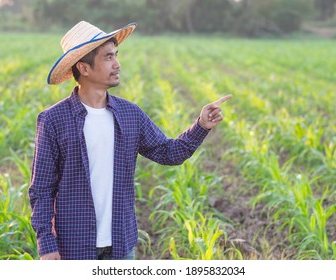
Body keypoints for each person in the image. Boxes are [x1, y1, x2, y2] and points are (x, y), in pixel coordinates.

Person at [29, 21, 231, 260]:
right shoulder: (53, 120)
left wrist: (201, 126)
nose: (117, 64)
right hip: (73, 247)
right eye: (108, 58)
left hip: (121, 246)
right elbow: (41, 190)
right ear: (83, 68)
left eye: (116, 55)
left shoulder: (129, 114)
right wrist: (47, 245)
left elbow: (169, 153)